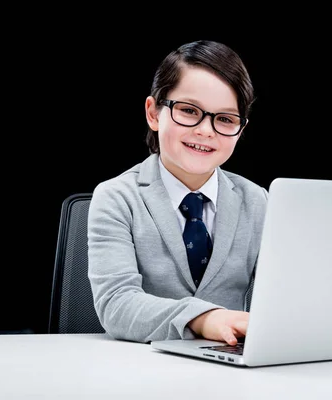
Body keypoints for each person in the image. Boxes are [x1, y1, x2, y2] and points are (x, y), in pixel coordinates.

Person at [87, 40, 268, 346]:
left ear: (241, 129)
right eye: (188, 110)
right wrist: (204, 319)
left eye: (225, 119)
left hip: (230, 366)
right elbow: (117, 305)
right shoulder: (117, 197)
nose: (206, 131)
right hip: (139, 367)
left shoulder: (258, 201)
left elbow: (285, 298)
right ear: (153, 113)